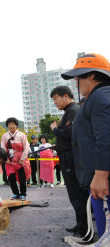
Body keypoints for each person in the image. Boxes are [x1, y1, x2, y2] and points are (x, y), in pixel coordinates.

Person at [61, 53, 110, 238]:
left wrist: (100, 175)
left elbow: (106, 138)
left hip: (103, 178)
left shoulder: (101, 96)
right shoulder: (96, 97)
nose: (75, 81)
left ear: (92, 75)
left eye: (78, 76)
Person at [50, 85, 89, 237]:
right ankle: (81, 224)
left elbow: (68, 132)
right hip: (67, 157)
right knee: (75, 194)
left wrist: (54, 129)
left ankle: (84, 228)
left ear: (65, 95)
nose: (55, 103)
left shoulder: (73, 110)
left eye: (55, 99)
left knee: (77, 194)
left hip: (71, 159)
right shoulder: (70, 111)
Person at [0, 117, 30, 201]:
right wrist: (6, 159)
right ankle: (16, 194)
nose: (11, 126)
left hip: (20, 160)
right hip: (10, 160)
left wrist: (22, 159)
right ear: (7, 126)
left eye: (13, 124)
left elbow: (26, 147)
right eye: (9, 124)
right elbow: (3, 148)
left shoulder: (22, 135)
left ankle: (23, 194)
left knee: (22, 177)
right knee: (11, 178)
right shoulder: (4, 136)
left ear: (16, 125)